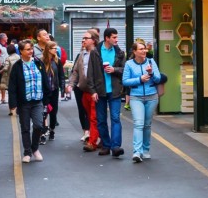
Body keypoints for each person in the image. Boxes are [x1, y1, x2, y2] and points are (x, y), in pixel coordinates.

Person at [121, 38, 163, 163]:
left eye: (144, 48)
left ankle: (145, 150)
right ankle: (137, 152)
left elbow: (158, 79)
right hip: (136, 97)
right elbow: (125, 81)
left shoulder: (151, 61)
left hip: (152, 96)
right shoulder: (129, 64)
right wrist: (139, 79)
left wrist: (151, 73)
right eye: (141, 49)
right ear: (134, 51)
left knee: (147, 124)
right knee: (139, 123)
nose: (144, 51)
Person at [7, 39, 48, 163]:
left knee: (38, 125)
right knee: (25, 128)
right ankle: (27, 152)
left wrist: (47, 98)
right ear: (21, 51)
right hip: (24, 102)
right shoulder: (17, 66)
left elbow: (45, 80)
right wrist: (13, 104)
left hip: (37, 101)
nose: (31, 51)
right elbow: (12, 86)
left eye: (31, 49)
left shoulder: (38, 63)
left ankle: (35, 148)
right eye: (28, 49)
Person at [87, 27, 125, 158]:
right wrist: (92, 91)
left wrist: (114, 69)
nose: (117, 40)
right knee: (101, 120)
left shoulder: (120, 52)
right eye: (114, 37)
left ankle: (115, 146)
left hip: (115, 90)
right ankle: (106, 145)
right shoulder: (95, 52)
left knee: (115, 118)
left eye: (117, 37)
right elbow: (90, 73)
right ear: (107, 38)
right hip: (100, 91)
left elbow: (124, 70)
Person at [70, 31, 96, 151]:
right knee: (86, 112)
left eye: (86, 38)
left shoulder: (97, 54)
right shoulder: (81, 55)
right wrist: (71, 84)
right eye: (82, 39)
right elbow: (75, 71)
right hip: (83, 89)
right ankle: (89, 133)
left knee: (94, 116)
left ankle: (93, 141)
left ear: (93, 40)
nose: (83, 41)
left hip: (95, 90)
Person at [35, 29, 63, 139]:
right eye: (54, 48)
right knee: (44, 111)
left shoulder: (57, 61)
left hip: (54, 89)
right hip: (44, 91)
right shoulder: (41, 61)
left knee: (53, 111)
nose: (56, 50)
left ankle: (52, 129)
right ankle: (42, 132)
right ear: (48, 49)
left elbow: (61, 75)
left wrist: (62, 88)